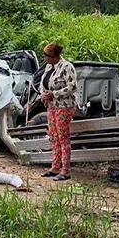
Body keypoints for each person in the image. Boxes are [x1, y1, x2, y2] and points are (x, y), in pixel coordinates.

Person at [39, 42, 78, 181]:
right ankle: (55, 166)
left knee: (63, 137)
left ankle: (65, 169)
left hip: (64, 106)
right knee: (54, 136)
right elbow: (42, 83)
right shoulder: (49, 67)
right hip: (52, 106)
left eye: (47, 56)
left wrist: (54, 94)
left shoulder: (67, 67)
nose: (45, 59)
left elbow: (73, 87)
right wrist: (43, 94)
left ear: (55, 56)